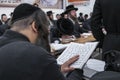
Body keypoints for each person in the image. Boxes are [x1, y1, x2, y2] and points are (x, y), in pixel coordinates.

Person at [0, 3, 83, 80]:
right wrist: (77, 70)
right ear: (35, 26)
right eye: (45, 29)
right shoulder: (38, 55)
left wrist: (57, 70)